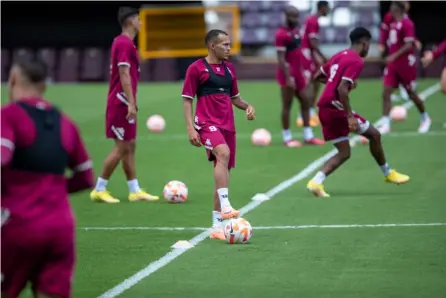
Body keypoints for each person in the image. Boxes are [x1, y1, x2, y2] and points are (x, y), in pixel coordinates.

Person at [1, 58, 94, 298]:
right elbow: (85, 178)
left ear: (12, 81)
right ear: (44, 86)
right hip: (60, 227)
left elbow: (1, 159)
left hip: (18, 226)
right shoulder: (66, 123)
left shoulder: (8, 116)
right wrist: (51, 186)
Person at [306, 27, 409, 198]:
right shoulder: (357, 61)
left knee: (344, 152)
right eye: (369, 43)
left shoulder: (340, 55)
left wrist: (336, 85)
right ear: (364, 42)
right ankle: (388, 173)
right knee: (374, 135)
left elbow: (318, 76)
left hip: (324, 107)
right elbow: (342, 90)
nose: (369, 47)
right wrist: (349, 116)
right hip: (336, 107)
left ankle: (316, 182)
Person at [181, 29, 256, 240]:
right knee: (222, 153)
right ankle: (226, 206)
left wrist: (247, 106)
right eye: (225, 45)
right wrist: (190, 128)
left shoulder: (230, 70)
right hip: (206, 122)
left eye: (229, 44)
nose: (229, 48)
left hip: (227, 125)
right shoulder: (197, 68)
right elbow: (187, 99)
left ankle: (216, 227)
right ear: (212, 46)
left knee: (222, 170)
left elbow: (235, 98)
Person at [90, 7, 159, 203]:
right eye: (138, 19)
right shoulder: (124, 43)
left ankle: (134, 190)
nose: (141, 22)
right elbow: (124, 73)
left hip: (123, 101)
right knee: (122, 147)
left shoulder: (125, 43)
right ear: (130, 22)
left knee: (130, 145)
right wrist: (131, 103)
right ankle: (99, 189)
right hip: (120, 102)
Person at [275, 5, 325, 147]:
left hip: (298, 74)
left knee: (306, 101)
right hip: (288, 76)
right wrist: (288, 78)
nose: (295, 19)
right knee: (287, 105)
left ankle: (308, 136)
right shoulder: (281, 34)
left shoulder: (296, 32)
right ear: (286, 16)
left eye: (296, 16)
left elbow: (298, 54)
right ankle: (287, 138)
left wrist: (303, 70)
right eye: (292, 16)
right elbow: (281, 58)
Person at [379, 1, 431, 135]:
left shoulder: (408, 24)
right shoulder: (393, 23)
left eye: (393, 8)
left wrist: (393, 56)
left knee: (411, 93)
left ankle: (425, 117)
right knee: (386, 92)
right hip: (393, 65)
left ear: (399, 10)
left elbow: (409, 45)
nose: (390, 11)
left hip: (405, 64)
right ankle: (385, 123)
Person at [378, 1, 422, 102]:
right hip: (392, 48)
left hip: (401, 53)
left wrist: (415, 40)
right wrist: (381, 42)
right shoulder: (390, 17)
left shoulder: (406, 19)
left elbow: (407, 33)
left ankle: (405, 90)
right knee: (389, 73)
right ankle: (390, 92)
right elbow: (384, 30)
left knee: (404, 75)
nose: (408, 5)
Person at [296, 0, 330, 128]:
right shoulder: (313, 20)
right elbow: (312, 42)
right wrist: (322, 57)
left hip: (309, 53)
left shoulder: (313, 19)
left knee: (316, 79)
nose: (329, 10)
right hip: (305, 54)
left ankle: (309, 109)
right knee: (310, 82)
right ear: (322, 8)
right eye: (327, 8)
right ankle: (303, 113)